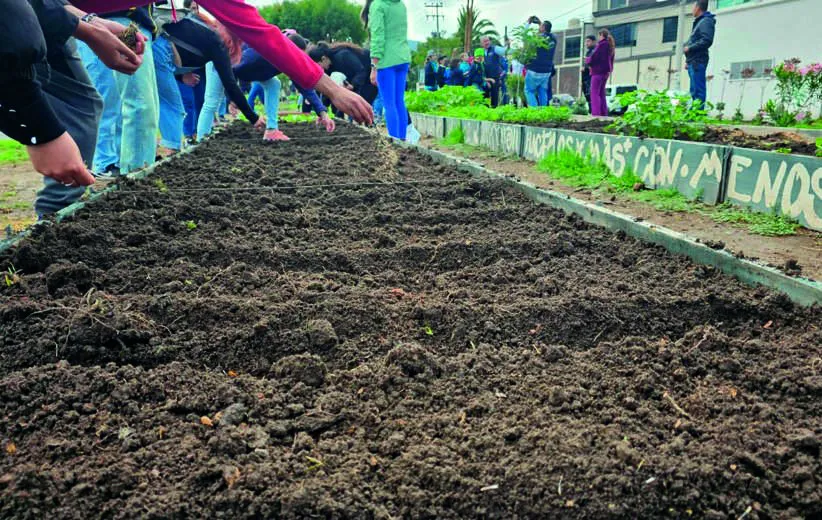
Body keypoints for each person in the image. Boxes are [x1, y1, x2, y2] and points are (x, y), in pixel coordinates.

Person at [70, 0, 374, 126]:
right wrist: (83, 23)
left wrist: (329, 93)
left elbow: (262, 33)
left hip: (92, 21)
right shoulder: (218, 46)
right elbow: (233, 77)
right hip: (57, 17)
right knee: (99, 110)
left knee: (101, 115)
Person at [1, 0, 144, 216]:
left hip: (41, 24)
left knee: (86, 105)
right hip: (21, 35)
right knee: (82, 107)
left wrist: (91, 24)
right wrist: (42, 134)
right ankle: (54, 219)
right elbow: (11, 31)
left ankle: (57, 217)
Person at [77, 7, 159, 175]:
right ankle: (116, 171)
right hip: (111, 18)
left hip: (125, 22)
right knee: (129, 105)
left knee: (131, 107)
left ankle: (120, 168)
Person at [161, 10, 265, 140]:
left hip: (158, 50)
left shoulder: (207, 29)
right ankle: (185, 144)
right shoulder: (217, 43)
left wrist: (181, 76)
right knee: (173, 108)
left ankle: (189, 143)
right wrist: (254, 118)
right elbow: (230, 84)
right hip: (157, 48)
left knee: (168, 107)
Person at [234, 37, 335, 141]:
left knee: (274, 84)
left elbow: (304, 87)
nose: (299, 58)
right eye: (298, 54)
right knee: (215, 98)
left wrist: (322, 113)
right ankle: (214, 127)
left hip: (252, 73)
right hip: (224, 66)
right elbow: (233, 69)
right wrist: (232, 98)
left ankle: (271, 130)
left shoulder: (287, 61)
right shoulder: (260, 54)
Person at [364, 0, 411, 141]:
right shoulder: (400, 4)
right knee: (399, 102)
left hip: (386, 60)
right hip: (403, 58)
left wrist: (374, 66)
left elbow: (378, 37)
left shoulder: (378, 5)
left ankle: (395, 142)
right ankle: (402, 141)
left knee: (388, 103)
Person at [307, 41, 379, 105]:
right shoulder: (329, 66)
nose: (319, 69)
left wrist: (353, 85)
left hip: (369, 73)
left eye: (318, 65)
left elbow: (361, 71)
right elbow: (327, 85)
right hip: (357, 77)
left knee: (363, 103)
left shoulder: (343, 55)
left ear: (323, 58)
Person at [684, 0, 715, 108]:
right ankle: (695, 114)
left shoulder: (706, 21)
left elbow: (706, 40)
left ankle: (698, 115)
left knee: (698, 90)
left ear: (698, 7)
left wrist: (689, 48)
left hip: (698, 61)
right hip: (693, 61)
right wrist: (687, 61)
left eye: (693, 7)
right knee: (694, 89)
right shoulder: (700, 22)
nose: (692, 10)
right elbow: (696, 40)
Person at [524, 18, 557, 107]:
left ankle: (534, 111)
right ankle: (543, 111)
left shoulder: (537, 38)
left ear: (543, 28)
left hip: (535, 69)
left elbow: (525, 37)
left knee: (529, 90)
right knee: (542, 91)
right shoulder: (554, 39)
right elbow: (546, 32)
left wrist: (528, 23)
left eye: (541, 25)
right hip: (547, 71)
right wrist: (540, 23)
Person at [586, 29, 615, 117]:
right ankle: (603, 113)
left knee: (594, 93)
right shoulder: (610, 46)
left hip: (597, 72)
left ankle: (596, 114)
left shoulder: (601, 45)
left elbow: (594, 57)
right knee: (601, 93)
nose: (598, 38)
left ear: (601, 35)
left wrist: (587, 60)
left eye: (599, 36)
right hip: (606, 72)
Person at [480, 36, 506, 107]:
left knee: (495, 96)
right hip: (485, 78)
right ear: (481, 43)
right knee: (484, 96)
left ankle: (493, 112)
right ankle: (485, 111)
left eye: (488, 41)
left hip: (495, 77)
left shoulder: (495, 49)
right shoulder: (480, 52)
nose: (487, 42)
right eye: (485, 41)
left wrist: (508, 45)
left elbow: (505, 51)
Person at [581, 35, 596, 110]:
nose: (586, 43)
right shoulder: (588, 52)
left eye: (588, 41)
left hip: (590, 77)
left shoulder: (594, 51)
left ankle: (593, 111)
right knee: (587, 95)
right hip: (586, 78)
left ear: (593, 42)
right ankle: (591, 111)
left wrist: (585, 68)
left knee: (591, 95)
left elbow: (593, 64)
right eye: (586, 41)